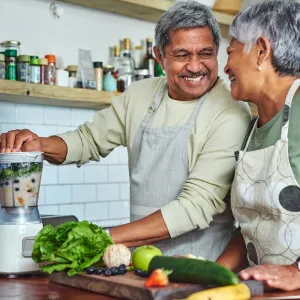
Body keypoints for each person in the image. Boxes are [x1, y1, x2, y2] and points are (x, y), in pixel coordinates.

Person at [0, 1, 250, 260]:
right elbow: (89, 140)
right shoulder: (140, 95)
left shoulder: (230, 111)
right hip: (139, 263)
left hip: (201, 266)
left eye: (206, 53)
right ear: (159, 56)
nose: (196, 66)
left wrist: (101, 238)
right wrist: (39, 144)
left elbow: (195, 205)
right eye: (182, 55)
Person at [216, 0, 300, 291]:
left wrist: (297, 272)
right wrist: (210, 272)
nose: (226, 66)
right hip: (262, 292)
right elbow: (257, 227)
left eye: (231, 52)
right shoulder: (255, 128)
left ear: (261, 50)